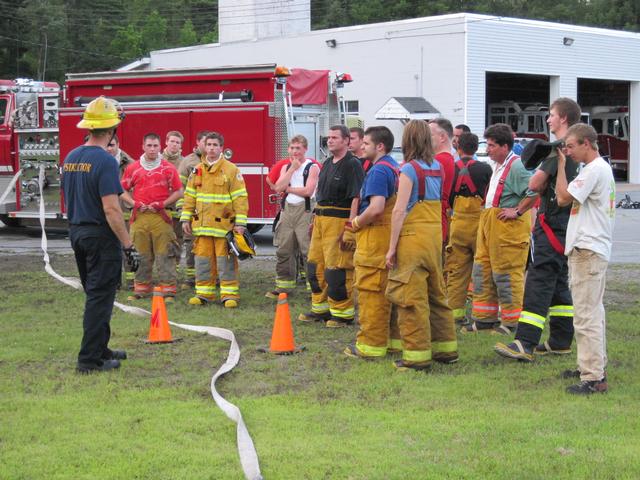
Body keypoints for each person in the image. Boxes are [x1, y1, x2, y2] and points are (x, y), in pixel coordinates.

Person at [495, 98, 582, 362]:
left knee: (538, 281)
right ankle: (560, 340)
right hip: (566, 226)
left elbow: (534, 183)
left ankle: (525, 342)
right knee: (557, 283)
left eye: (552, 115)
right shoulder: (577, 148)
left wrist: (539, 186)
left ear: (564, 118)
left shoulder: (558, 149)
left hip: (551, 224)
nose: (548, 119)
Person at [61, 96, 140, 373]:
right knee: (100, 297)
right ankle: (89, 360)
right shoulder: (105, 161)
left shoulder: (71, 157)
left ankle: (100, 348)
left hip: (78, 233)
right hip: (100, 236)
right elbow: (111, 209)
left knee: (98, 295)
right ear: (110, 131)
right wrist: (128, 245)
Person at [385, 120, 458, 370]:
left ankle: (416, 357)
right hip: (433, 238)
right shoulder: (438, 166)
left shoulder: (408, 170)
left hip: (413, 240)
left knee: (411, 298)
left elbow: (398, 211)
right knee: (437, 294)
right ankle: (445, 349)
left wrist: (391, 248)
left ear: (407, 141)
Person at [555, 123, 615, 395]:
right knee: (594, 313)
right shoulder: (597, 169)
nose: (568, 151)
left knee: (585, 316)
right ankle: (591, 367)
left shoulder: (593, 170)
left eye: (571, 146)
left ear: (587, 144)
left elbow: (563, 198)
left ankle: (593, 377)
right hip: (593, 248)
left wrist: (559, 165)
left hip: (587, 249)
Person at [461, 123, 538, 334]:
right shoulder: (499, 165)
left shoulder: (517, 166)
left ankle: (512, 322)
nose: (488, 150)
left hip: (507, 229)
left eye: (493, 145)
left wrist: (518, 211)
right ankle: (485, 319)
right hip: (490, 224)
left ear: (505, 146)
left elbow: (534, 191)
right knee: (482, 271)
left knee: (507, 274)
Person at [343, 126, 402, 358]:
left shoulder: (378, 171)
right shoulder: (395, 168)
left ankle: (369, 347)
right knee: (391, 296)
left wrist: (356, 223)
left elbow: (376, 208)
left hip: (374, 243)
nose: (361, 146)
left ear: (380, 146)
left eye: (366, 143)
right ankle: (393, 342)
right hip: (387, 242)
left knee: (371, 296)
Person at [299, 125, 364, 327]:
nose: (330, 140)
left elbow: (356, 197)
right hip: (321, 219)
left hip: (339, 221)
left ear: (346, 141)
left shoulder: (352, 165)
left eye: (335, 137)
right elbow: (320, 195)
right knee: (314, 266)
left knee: (337, 269)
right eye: (329, 137)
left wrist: (350, 227)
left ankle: (342, 313)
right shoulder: (327, 163)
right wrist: (314, 219)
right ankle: (320, 308)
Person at [180, 132, 249, 308]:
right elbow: (189, 196)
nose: (211, 148)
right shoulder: (197, 170)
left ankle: (229, 294)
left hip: (223, 227)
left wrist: (240, 224)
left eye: (215, 145)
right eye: (208, 144)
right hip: (202, 227)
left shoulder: (231, 170)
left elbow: (240, 198)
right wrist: (185, 218)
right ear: (204, 146)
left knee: (225, 261)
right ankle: (204, 294)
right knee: (202, 261)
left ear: (221, 148)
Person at [120, 133, 183, 301]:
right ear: (143, 146)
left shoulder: (168, 168)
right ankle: (141, 289)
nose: (153, 149)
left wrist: (162, 204)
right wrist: (133, 203)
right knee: (140, 254)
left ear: (160, 146)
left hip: (161, 218)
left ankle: (168, 290)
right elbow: (121, 190)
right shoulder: (133, 168)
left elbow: (179, 191)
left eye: (155, 146)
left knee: (165, 254)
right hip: (139, 218)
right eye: (149, 145)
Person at [444, 132, 492, 324]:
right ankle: (482, 314)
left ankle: (455, 313)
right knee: (481, 270)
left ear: (458, 147)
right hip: (479, 225)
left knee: (456, 270)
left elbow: (445, 198)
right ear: (475, 148)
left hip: (457, 224)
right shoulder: (485, 169)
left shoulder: (449, 169)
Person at [266, 135, 319, 298]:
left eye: (298, 148)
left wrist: (287, 189)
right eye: (292, 148)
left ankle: (314, 287)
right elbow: (277, 187)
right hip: (287, 210)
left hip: (305, 210)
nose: (295, 151)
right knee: (284, 248)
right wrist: (291, 170)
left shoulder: (313, 167)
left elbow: (308, 191)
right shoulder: (286, 167)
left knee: (308, 249)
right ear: (288, 149)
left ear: (305, 149)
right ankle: (284, 286)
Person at [177, 130, 209, 287]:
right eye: (205, 143)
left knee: (211, 246)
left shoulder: (217, 161)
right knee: (191, 246)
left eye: (211, 143)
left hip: (210, 215)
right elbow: (180, 189)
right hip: (193, 213)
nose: (208, 146)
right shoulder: (188, 162)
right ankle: (191, 278)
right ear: (197, 142)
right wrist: (184, 213)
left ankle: (211, 277)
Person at [106, 134, 135, 290]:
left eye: (112, 145)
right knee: (110, 249)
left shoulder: (130, 164)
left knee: (129, 247)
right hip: (107, 213)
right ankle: (114, 281)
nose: (109, 149)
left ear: (118, 144)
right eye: (107, 145)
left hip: (125, 213)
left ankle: (132, 282)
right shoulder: (100, 163)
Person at [428, 118, 456, 242]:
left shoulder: (439, 161)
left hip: (433, 220)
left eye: (430, 135)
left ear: (442, 137)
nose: (426, 139)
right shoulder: (446, 159)